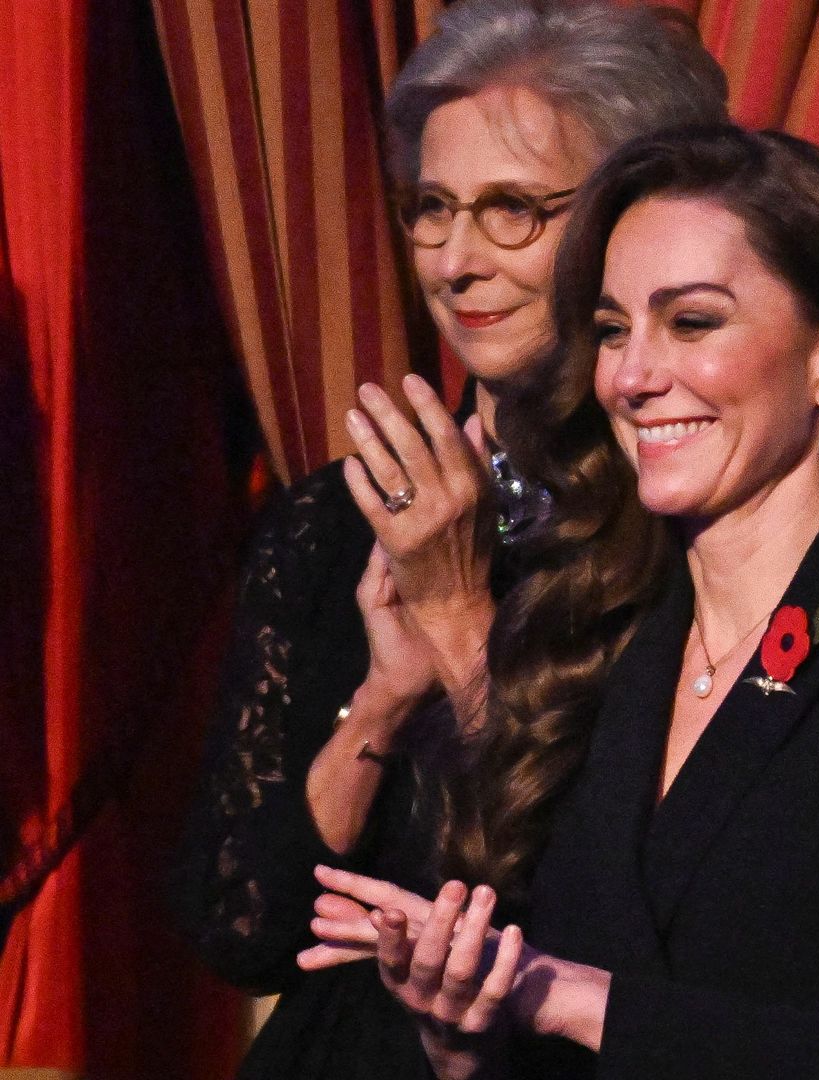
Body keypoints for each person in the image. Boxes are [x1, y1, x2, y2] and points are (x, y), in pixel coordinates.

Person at [295, 126, 819, 1080]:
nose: (631, 376)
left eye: (692, 323)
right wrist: (461, 1034)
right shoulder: (590, 632)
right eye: (614, 330)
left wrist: (582, 1003)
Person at [169, 4, 726, 1077]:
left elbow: (620, 924)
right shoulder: (341, 519)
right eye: (432, 208)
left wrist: (465, 623)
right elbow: (240, 929)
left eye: (511, 210)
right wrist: (382, 697)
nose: (455, 261)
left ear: (636, 217)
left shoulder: (696, 524)